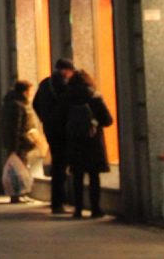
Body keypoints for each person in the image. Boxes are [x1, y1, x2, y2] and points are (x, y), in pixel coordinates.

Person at [64, 70, 113, 218]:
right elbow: (108, 120)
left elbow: (61, 120)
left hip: (75, 142)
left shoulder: (67, 98)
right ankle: (95, 209)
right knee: (94, 177)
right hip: (93, 142)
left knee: (77, 177)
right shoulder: (94, 97)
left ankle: (78, 209)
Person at [34, 57, 76, 214]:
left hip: (50, 129)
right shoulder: (64, 85)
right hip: (62, 129)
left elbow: (35, 104)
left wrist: (45, 119)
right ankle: (58, 202)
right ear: (66, 70)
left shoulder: (45, 84)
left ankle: (57, 200)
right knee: (61, 165)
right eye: (71, 71)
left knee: (58, 163)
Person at [0, 79, 38, 203]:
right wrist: (15, 146)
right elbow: (16, 126)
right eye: (30, 91)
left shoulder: (10, 103)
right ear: (25, 91)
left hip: (16, 142)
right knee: (18, 168)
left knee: (17, 168)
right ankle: (17, 193)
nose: (31, 94)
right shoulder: (17, 105)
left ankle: (18, 193)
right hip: (19, 143)